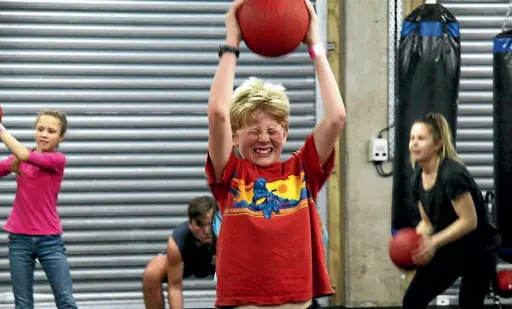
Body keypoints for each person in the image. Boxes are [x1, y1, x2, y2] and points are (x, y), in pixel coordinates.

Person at [205, 0, 346, 306]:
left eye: (272, 130)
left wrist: (315, 43)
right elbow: (217, 112)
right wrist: (232, 40)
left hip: (298, 301)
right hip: (244, 302)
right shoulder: (229, 175)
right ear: (234, 136)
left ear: (285, 131)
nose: (264, 138)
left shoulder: (303, 170)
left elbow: (336, 117)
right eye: (253, 131)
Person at [403, 112, 500, 309]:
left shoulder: (452, 174)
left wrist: (434, 242)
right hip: (452, 246)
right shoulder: (417, 179)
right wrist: (412, 244)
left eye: (421, 138)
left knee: (469, 303)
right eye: (412, 138)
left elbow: (469, 221)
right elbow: (427, 222)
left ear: (437, 145)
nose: (414, 143)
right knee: (412, 300)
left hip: (479, 248)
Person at [0, 109, 77, 309]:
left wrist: (1, 130)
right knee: (23, 304)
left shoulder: (57, 160)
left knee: (66, 301)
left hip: (50, 241)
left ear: (61, 136)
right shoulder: (18, 161)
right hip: (19, 240)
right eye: (40, 129)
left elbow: (24, 154)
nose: (44, 134)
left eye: (51, 131)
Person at [142, 196, 217, 309]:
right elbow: (175, 287)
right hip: (186, 262)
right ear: (190, 223)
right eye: (199, 224)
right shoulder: (177, 241)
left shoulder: (224, 234)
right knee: (151, 274)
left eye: (210, 224)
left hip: (214, 263)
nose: (206, 231)